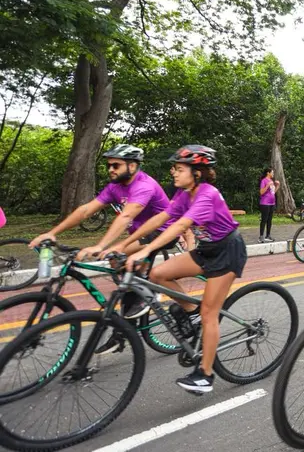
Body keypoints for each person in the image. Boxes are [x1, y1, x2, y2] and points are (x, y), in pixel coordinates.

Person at [108, 145, 247, 394]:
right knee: (158, 274)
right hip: (206, 249)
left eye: (179, 169)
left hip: (227, 252)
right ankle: (192, 313)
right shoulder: (185, 194)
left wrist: (145, 251)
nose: (173, 172)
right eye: (174, 168)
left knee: (210, 314)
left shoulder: (206, 194)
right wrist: (126, 244)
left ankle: (205, 375)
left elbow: (180, 226)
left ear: (197, 173)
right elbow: (160, 219)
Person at [30, 144, 176, 324]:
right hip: (140, 234)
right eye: (108, 165)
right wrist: (52, 233)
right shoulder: (115, 187)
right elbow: (86, 210)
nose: (110, 169)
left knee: (120, 254)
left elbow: (126, 216)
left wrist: (100, 246)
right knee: (117, 261)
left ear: (132, 166)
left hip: (163, 232)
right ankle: (133, 307)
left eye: (116, 165)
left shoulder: (144, 186)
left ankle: (148, 293)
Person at [258, 168, 280, 243]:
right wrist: (267, 185)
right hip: (265, 203)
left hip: (272, 203)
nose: (273, 174)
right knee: (264, 220)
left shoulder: (271, 181)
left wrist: (277, 186)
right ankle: (261, 236)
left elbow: (273, 192)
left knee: (269, 220)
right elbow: (261, 192)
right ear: (268, 173)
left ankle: (268, 235)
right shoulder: (264, 181)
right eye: (272, 172)